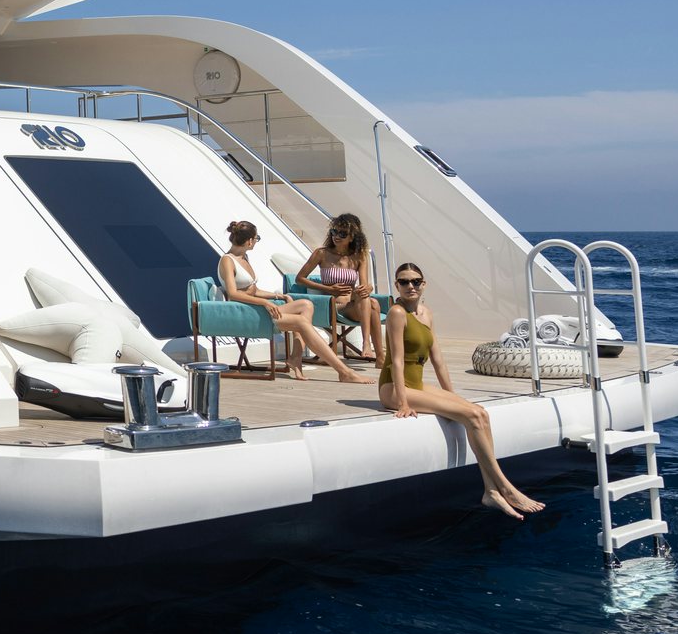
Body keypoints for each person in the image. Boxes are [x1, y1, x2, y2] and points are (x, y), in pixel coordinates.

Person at [380, 262, 545, 520]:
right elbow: (397, 361)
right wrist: (402, 403)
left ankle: (490, 491)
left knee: (478, 412)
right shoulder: (397, 313)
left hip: (418, 384)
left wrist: (452, 396)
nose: (410, 286)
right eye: (403, 282)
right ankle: (505, 487)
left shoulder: (427, 313)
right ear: (396, 285)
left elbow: (438, 360)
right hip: (393, 387)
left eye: (415, 281)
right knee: (472, 416)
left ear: (423, 284)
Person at [218, 221, 372, 383]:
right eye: (256, 238)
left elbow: (253, 290)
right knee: (301, 322)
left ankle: (295, 358)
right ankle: (344, 371)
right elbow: (233, 294)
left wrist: (279, 297)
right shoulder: (228, 260)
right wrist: (265, 303)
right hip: (244, 311)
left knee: (306, 304)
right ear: (249, 241)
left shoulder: (244, 258)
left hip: (254, 306)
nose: (256, 242)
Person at [295, 213, 384, 363]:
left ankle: (370, 347)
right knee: (373, 305)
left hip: (352, 306)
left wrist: (368, 288)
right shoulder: (321, 253)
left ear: (352, 237)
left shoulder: (359, 256)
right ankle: (375, 352)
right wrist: (328, 289)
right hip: (332, 306)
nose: (336, 236)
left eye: (342, 233)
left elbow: (363, 284)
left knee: (370, 300)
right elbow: (300, 279)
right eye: (334, 232)